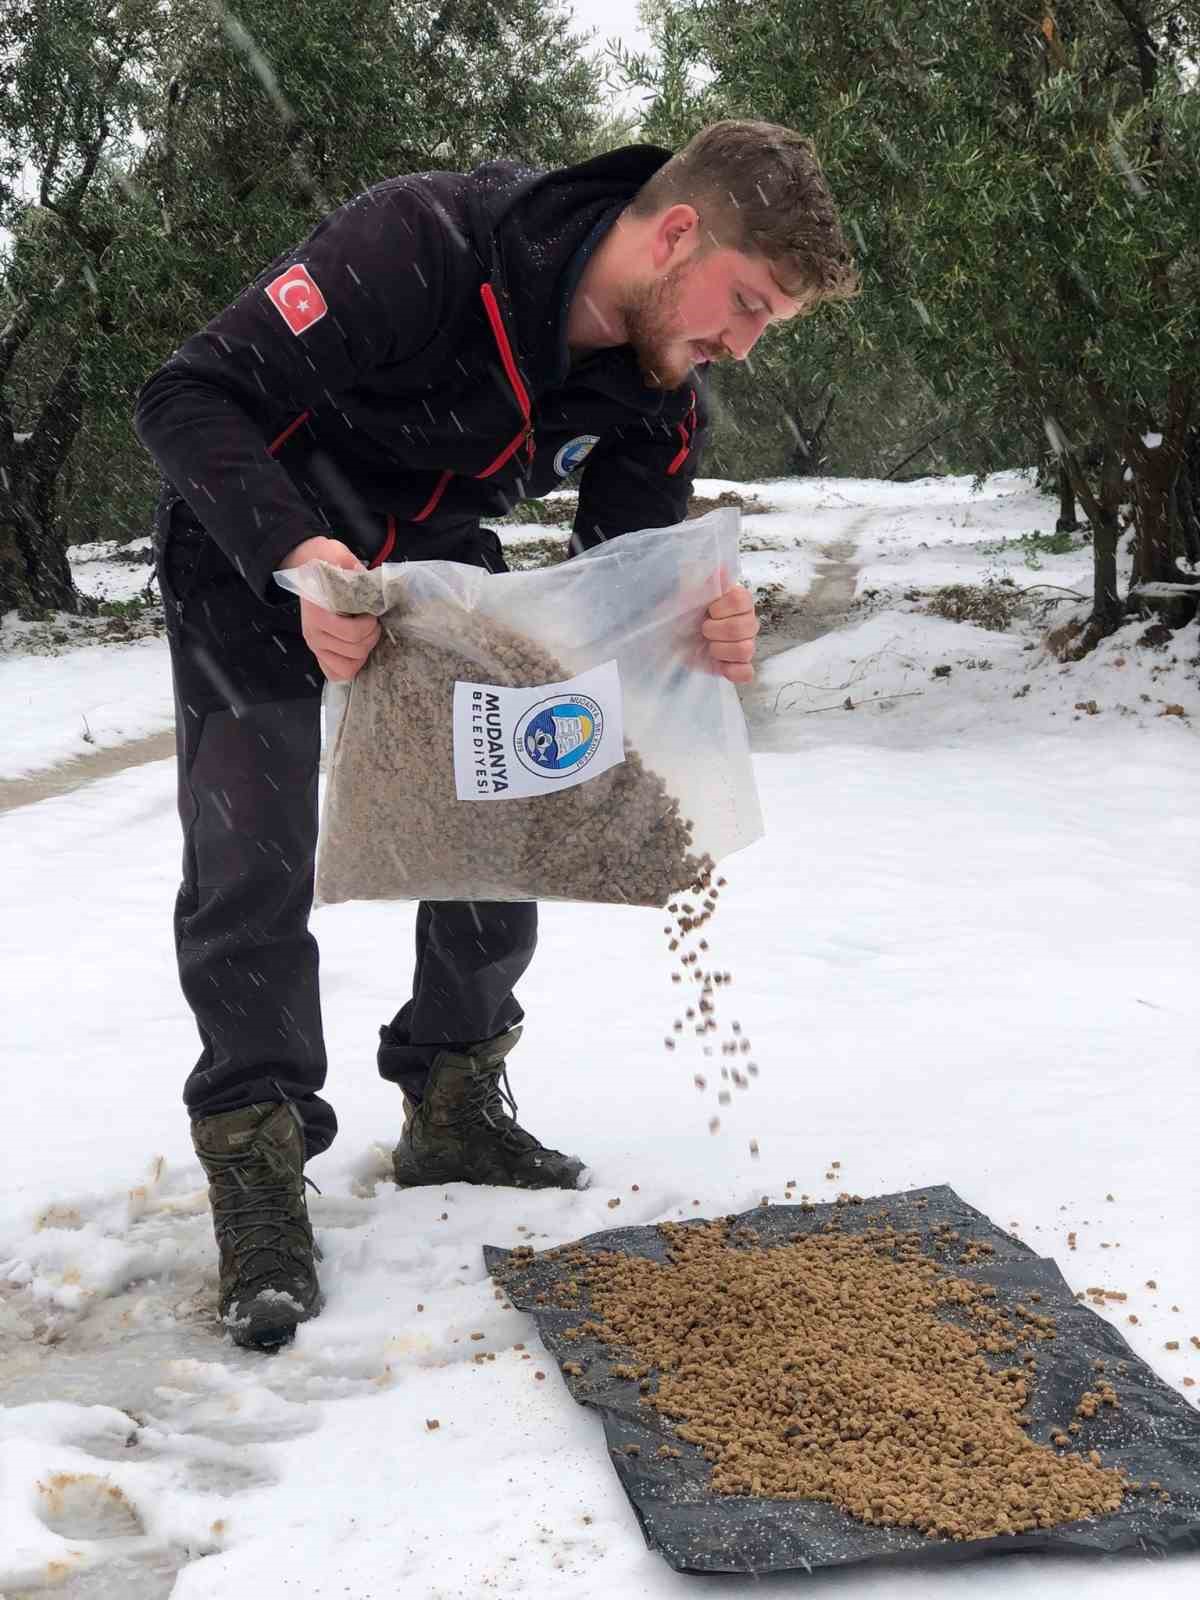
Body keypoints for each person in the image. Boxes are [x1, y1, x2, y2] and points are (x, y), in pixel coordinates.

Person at [134, 118, 857, 1351]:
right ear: (676, 232)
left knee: (513, 789)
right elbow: (189, 395)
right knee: (251, 850)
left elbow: (630, 578)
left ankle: (455, 1090)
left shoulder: (655, 387)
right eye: (744, 303)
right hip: (257, 547)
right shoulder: (423, 242)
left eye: (765, 327)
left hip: (432, 570)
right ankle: (256, 1155)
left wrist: (702, 624)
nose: (738, 344)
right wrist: (300, 558)